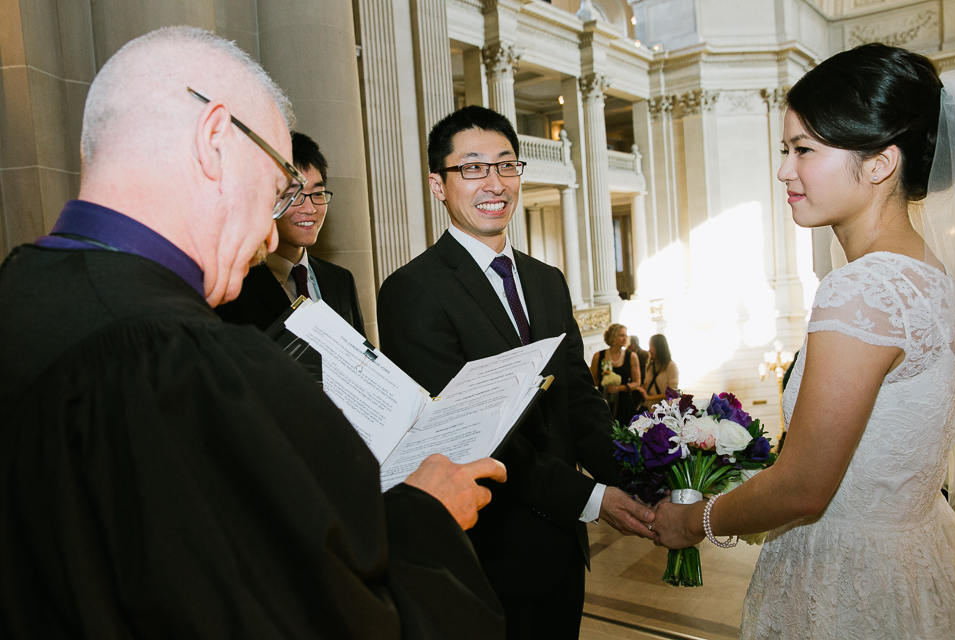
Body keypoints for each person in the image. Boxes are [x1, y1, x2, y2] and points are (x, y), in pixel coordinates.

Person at [0, 27, 509, 639]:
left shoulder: (21, 292)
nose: (272, 236)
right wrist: (425, 516)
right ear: (215, 140)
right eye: (275, 192)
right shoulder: (184, 368)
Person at [650, 43, 955, 639]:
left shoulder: (862, 289)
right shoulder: (927, 271)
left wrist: (692, 522)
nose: (784, 170)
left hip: (848, 576)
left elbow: (805, 488)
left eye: (804, 151)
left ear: (878, 164)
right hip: (915, 552)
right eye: (784, 150)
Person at [375, 105, 657, 640]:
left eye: (506, 165)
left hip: (561, 555)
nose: (495, 183)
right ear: (439, 185)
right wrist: (593, 500)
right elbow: (474, 434)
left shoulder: (547, 280)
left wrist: (637, 481)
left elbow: (578, 397)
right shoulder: (414, 292)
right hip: (486, 556)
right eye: (473, 168)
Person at [216, 131, 366, 336]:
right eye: (294, 195)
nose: (310, 209)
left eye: (317, 194)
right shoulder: (234, 286)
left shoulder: (340, 280)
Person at [590, 323, 643, 426]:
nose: (625, 338)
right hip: (604, 403)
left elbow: (637, 383)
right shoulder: (598, 356)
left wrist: (619, 388)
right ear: (612, 337)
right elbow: (593, 381)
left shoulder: (631, 356)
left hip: (624, 403)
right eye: (621, 335)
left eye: (626, 336)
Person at [637, 333, 679, 408]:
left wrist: (648, 397)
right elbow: (648, 385)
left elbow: (672, 393)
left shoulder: (671, 366)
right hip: (651, 407)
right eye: (649, 346)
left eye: (652, 346)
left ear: (660, 347)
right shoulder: (650, 365)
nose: (649, 349)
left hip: (665, 408)